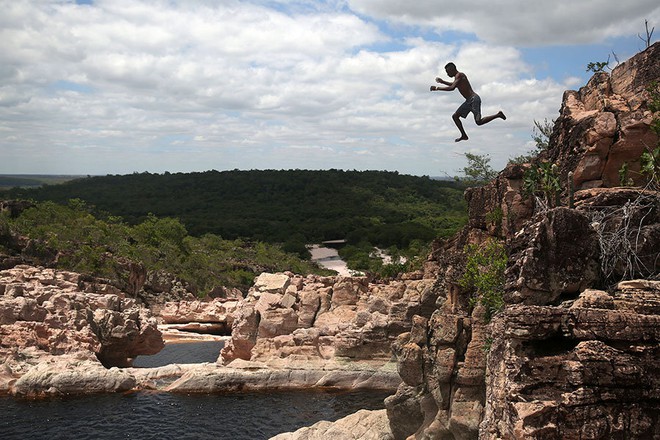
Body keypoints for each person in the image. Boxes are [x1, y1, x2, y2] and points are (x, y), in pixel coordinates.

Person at [430, 62, 506, 142]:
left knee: (478, 122)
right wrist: (442, 82)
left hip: (474, 99)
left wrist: (437, 88)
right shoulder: (457, 77)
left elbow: (452, 88)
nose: (447, 74)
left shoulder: (460, 75)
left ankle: (498, 115)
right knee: (455, 116)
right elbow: (453, 84)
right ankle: (464, 135)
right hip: (468, 101)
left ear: (453, 69)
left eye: (448, 72)